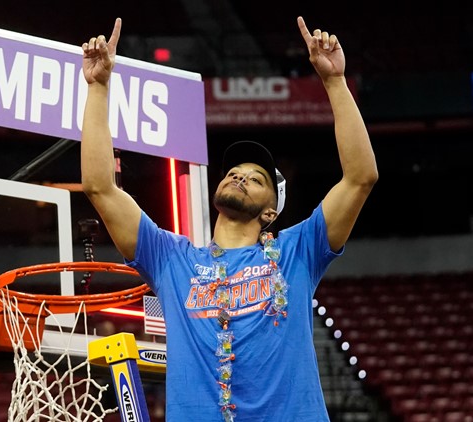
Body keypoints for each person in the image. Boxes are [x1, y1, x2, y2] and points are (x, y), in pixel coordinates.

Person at [81, 16, 377, 422]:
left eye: (256, 179)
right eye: (233, 172)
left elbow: (361, 178)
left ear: (270, 213)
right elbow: (100, 187)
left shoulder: (297, 251)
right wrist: (98, 88)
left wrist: (334, 82)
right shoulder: (171, 258)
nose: (239, 176)